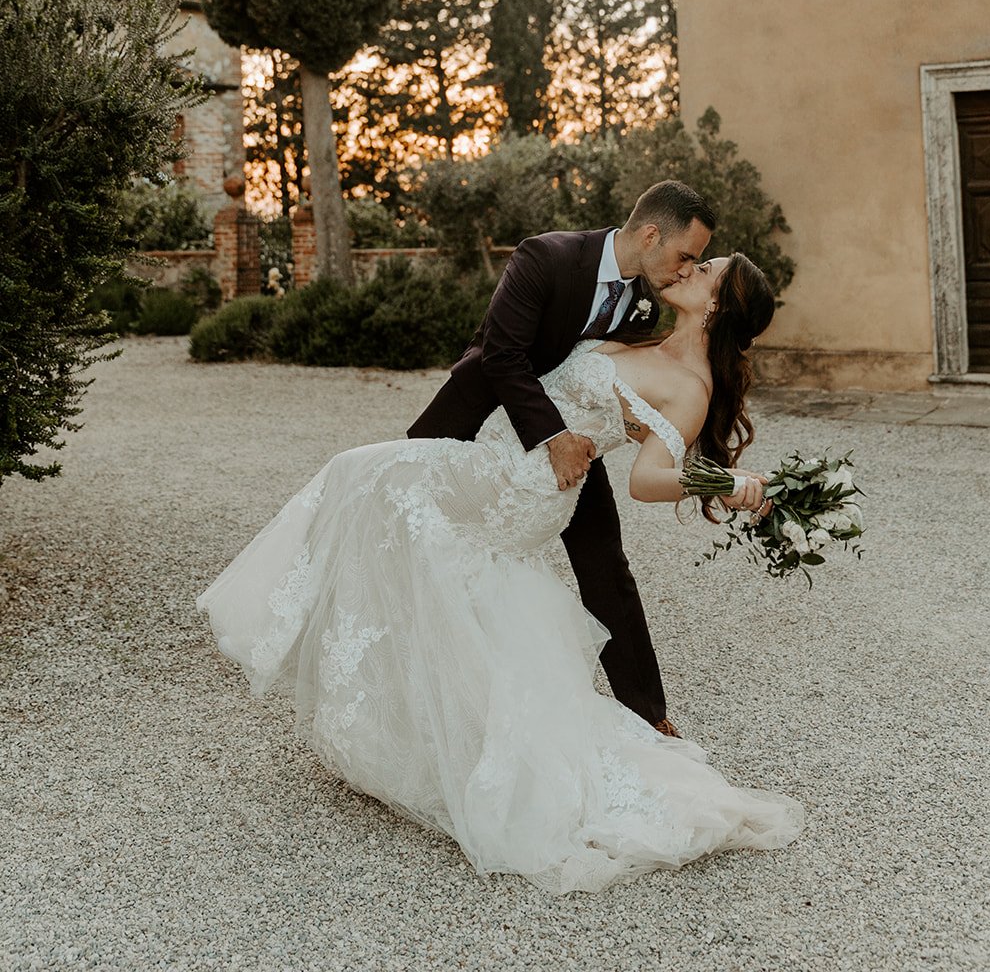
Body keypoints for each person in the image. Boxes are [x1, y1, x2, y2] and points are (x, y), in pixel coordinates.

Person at [196, 249, 804, 894]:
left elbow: (648, 480)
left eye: (707, 269)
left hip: (526, 483)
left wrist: (726, 481)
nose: (691, 267)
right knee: (437, 570)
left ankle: (285, 626)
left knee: (364, 474)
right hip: (499, 453)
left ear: (716, 305)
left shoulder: (690, 384)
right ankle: (422, 723)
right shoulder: (640, 332)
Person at [408, 180, 718, 735]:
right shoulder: (546, 256)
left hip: (575, 442)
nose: (685, 270)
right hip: (480, 422)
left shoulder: (648, 302)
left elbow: (615, 378)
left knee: (605, 561)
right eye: (684, 255)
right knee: (423, 545)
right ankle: (418, 696)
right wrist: (554, 437)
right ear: (651, 234)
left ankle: (646, 715)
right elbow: (501, 356)